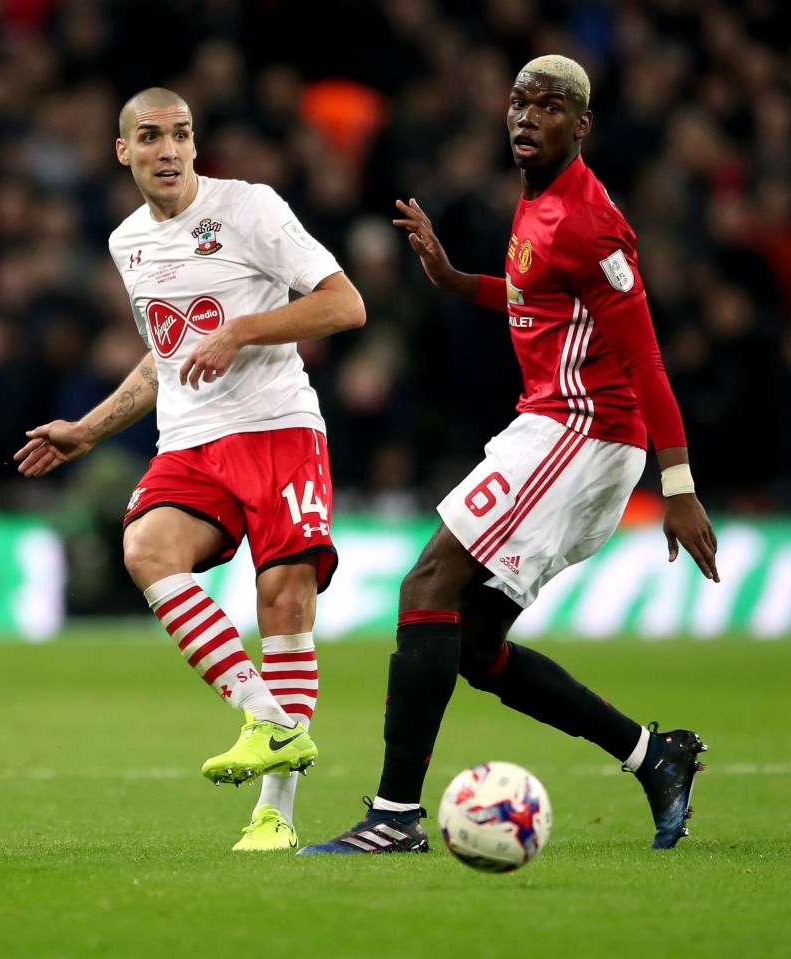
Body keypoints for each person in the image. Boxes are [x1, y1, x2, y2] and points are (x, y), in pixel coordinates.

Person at [298, 55, 719, 856]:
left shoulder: (591, 222)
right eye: (520, 101)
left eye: (550, 106)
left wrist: (680, 484)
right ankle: (652, 754)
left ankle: (392, 816)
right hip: (557, 429)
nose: (528, 116)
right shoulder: (539, 202)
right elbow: (538, 298)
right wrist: (457, 279)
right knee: (477, 646)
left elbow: (647, 360)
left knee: (428, 582)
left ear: (581, 125)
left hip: (582, 431)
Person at [15, 87, 366, 852]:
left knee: (282, 598)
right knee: (145, 547)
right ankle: (266, 718)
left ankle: (275, 813)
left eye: (180, 134)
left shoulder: (250, 208)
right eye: (150, 137)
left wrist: (244, 329)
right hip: (190, 441)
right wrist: (89, 428)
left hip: (277, 429)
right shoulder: (127, 242)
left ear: (195, 143)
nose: (168, 149)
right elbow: (164, 356)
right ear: (124, 152)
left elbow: (344, 305)